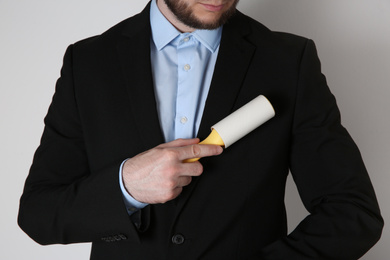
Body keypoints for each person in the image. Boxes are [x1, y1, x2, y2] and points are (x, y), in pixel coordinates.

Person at [18, 0, 383, 259]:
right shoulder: (88, 63)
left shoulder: (288, 61)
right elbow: (39, 213)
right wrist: (126, 185)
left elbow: (353, 213)